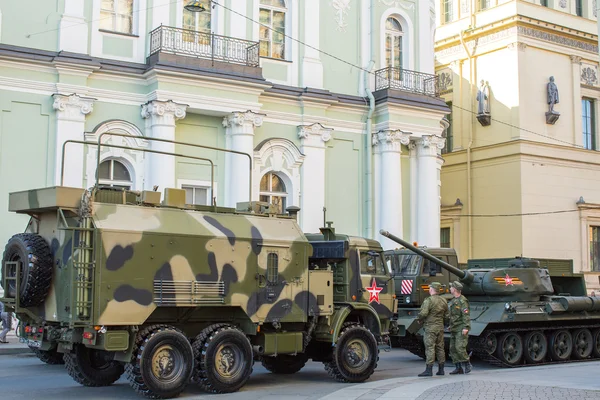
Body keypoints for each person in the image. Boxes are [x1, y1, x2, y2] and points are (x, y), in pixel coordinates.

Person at [416, 281, 448, 377]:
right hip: (440, 327)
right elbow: (447, 315)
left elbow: (424, 313)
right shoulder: (443, 300)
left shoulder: (429, 300)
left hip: (430, 327)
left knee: (430, 347)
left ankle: (429, 369)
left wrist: (419, 319)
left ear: (431, 289)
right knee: (440, 347)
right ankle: (441, 369)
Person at [447, 281, 472, 374]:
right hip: (454, 327)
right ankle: (458, 368)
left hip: (461, 328)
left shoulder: (462, 301)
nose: (450, 289)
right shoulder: (453, 300)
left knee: (459, 348)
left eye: (451, 287)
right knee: (452, 349)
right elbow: (453, 315)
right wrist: (451, 325)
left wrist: (466, 327)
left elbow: (466, 315)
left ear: (455, 289)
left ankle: (467, 363)